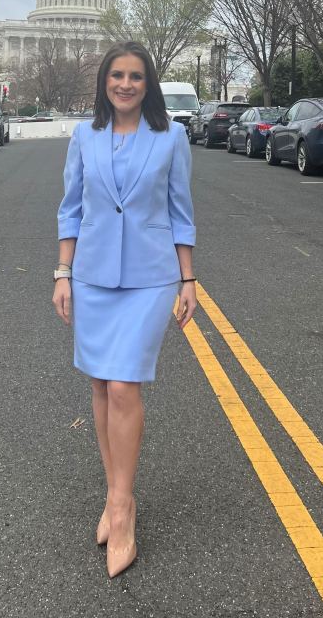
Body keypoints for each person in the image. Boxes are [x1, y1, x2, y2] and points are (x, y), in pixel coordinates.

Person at [53, 41, 197, 577]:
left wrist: (188, 278)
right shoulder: (84, 136)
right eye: (117, 75)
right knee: (98, 384)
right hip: (91, 274)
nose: (125, 84)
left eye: (136, 76)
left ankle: (121, 506)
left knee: (122, 386)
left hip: (149, 277)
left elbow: (181, 212)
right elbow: (71, 207)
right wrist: (63, 273)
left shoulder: (171, 136)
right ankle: (115, 493)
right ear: (104, 83)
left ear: (148, 84)